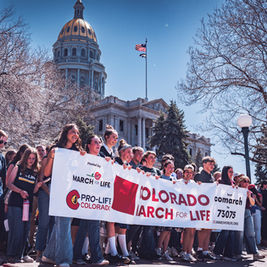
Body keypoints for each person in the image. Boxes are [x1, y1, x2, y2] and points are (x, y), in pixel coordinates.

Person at [42, 123, 83, 267]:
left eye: (77, 133)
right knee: (64, 222)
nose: (76, 135)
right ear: (66, 133)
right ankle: (64, 260)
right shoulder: (56, 149)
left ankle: (49, 255)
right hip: (59, 188)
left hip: (72, 190)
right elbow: (46, 173)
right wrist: (52, 157)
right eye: (73, 132)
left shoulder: (78, 151)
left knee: (62, 223)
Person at [73, 135, 109, 265]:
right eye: (95, 142)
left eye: (100, 142)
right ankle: (96, 258)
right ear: (88, 145)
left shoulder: (103, 161)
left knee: (85, 228)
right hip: (84, 198)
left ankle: (77, 256)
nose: (98, 145)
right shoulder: (82, 158)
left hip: (96, 198)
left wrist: (109, 165)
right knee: (90, 227)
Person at [7, 147, 42, 263]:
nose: (31, 160)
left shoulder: (36, 172)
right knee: (16, 230)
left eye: (33, 158)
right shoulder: (18, 167)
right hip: (15, 203)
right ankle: (12, 255)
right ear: (25, 158)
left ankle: (20, 255)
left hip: (28, 205)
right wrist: (20, 191)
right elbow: (9, 184)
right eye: (29, 158)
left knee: (25, 230)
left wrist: (38, 186)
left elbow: (34, 191)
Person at [194, 156, 216, 261]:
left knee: (208, 228)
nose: (212, 166)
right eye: (210, 164)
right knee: (202, 228)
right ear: (204, 164)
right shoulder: (199, 175)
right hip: (201, 206)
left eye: (213, 164)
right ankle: (199, 249)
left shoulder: (211, 177)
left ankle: (205, 250)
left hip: (210, 206)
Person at [238, 176, 265, 261]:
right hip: (238, 213)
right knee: (239, 234)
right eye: (244, 181)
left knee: (251, 233)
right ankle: (238, 253)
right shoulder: (236, 190)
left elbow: (253, 203)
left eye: (248, 182)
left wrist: (249, 196)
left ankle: (255, 253)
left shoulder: (250, 192)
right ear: (240, 182)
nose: (246, 183)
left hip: (247, 212)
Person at [213, 166, 236, 261]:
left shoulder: (233, 183)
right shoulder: (220, 182)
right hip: (222, 209)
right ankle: (217, 252)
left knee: (231, 232)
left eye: (232, 172)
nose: (231, 173)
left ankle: (228, 254)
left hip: (231, 210)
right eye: (230, 171)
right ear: (225, 172)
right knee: (225, 231)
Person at [155, 160, 175, 261]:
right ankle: (158, 248)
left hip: (170, 207)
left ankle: (165, 250)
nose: (171, 169)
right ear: (165, 167)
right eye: (169, 167)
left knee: (168, 231)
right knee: (163, 229)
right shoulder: (160, 178)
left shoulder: (173, 180)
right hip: (161, 207)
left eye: (172, 168)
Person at [179, 164, 198, 262]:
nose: (189, 174)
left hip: (192, 210)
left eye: (191, 172)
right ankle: (184, 251)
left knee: (192, 232)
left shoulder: (194, 183)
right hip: (181, 210)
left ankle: (189, 252)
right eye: (187, 171)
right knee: (186, 231)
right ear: (183, 172)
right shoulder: (178, 182)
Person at [0, 130, 8, 254]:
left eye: (5, 143)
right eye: (1, 141)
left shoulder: (1, 157)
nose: (2, 145)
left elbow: (4, 177)